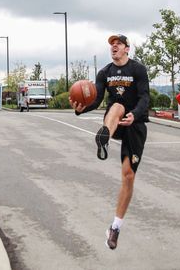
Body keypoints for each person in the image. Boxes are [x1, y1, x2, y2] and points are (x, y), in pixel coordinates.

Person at [70, 34, 149, 250]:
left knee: (128, 175)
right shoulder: (105, 72)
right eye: (112, 44)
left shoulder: (138, 70)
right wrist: (81, 109)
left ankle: (115, 227)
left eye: (118, 44)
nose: (114, 46)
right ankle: (104, 137)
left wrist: (136, 114)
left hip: (135, 124)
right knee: (116, 106)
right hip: (115, 119)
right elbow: (95, 100)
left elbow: (145, 97)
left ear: (126, 49)